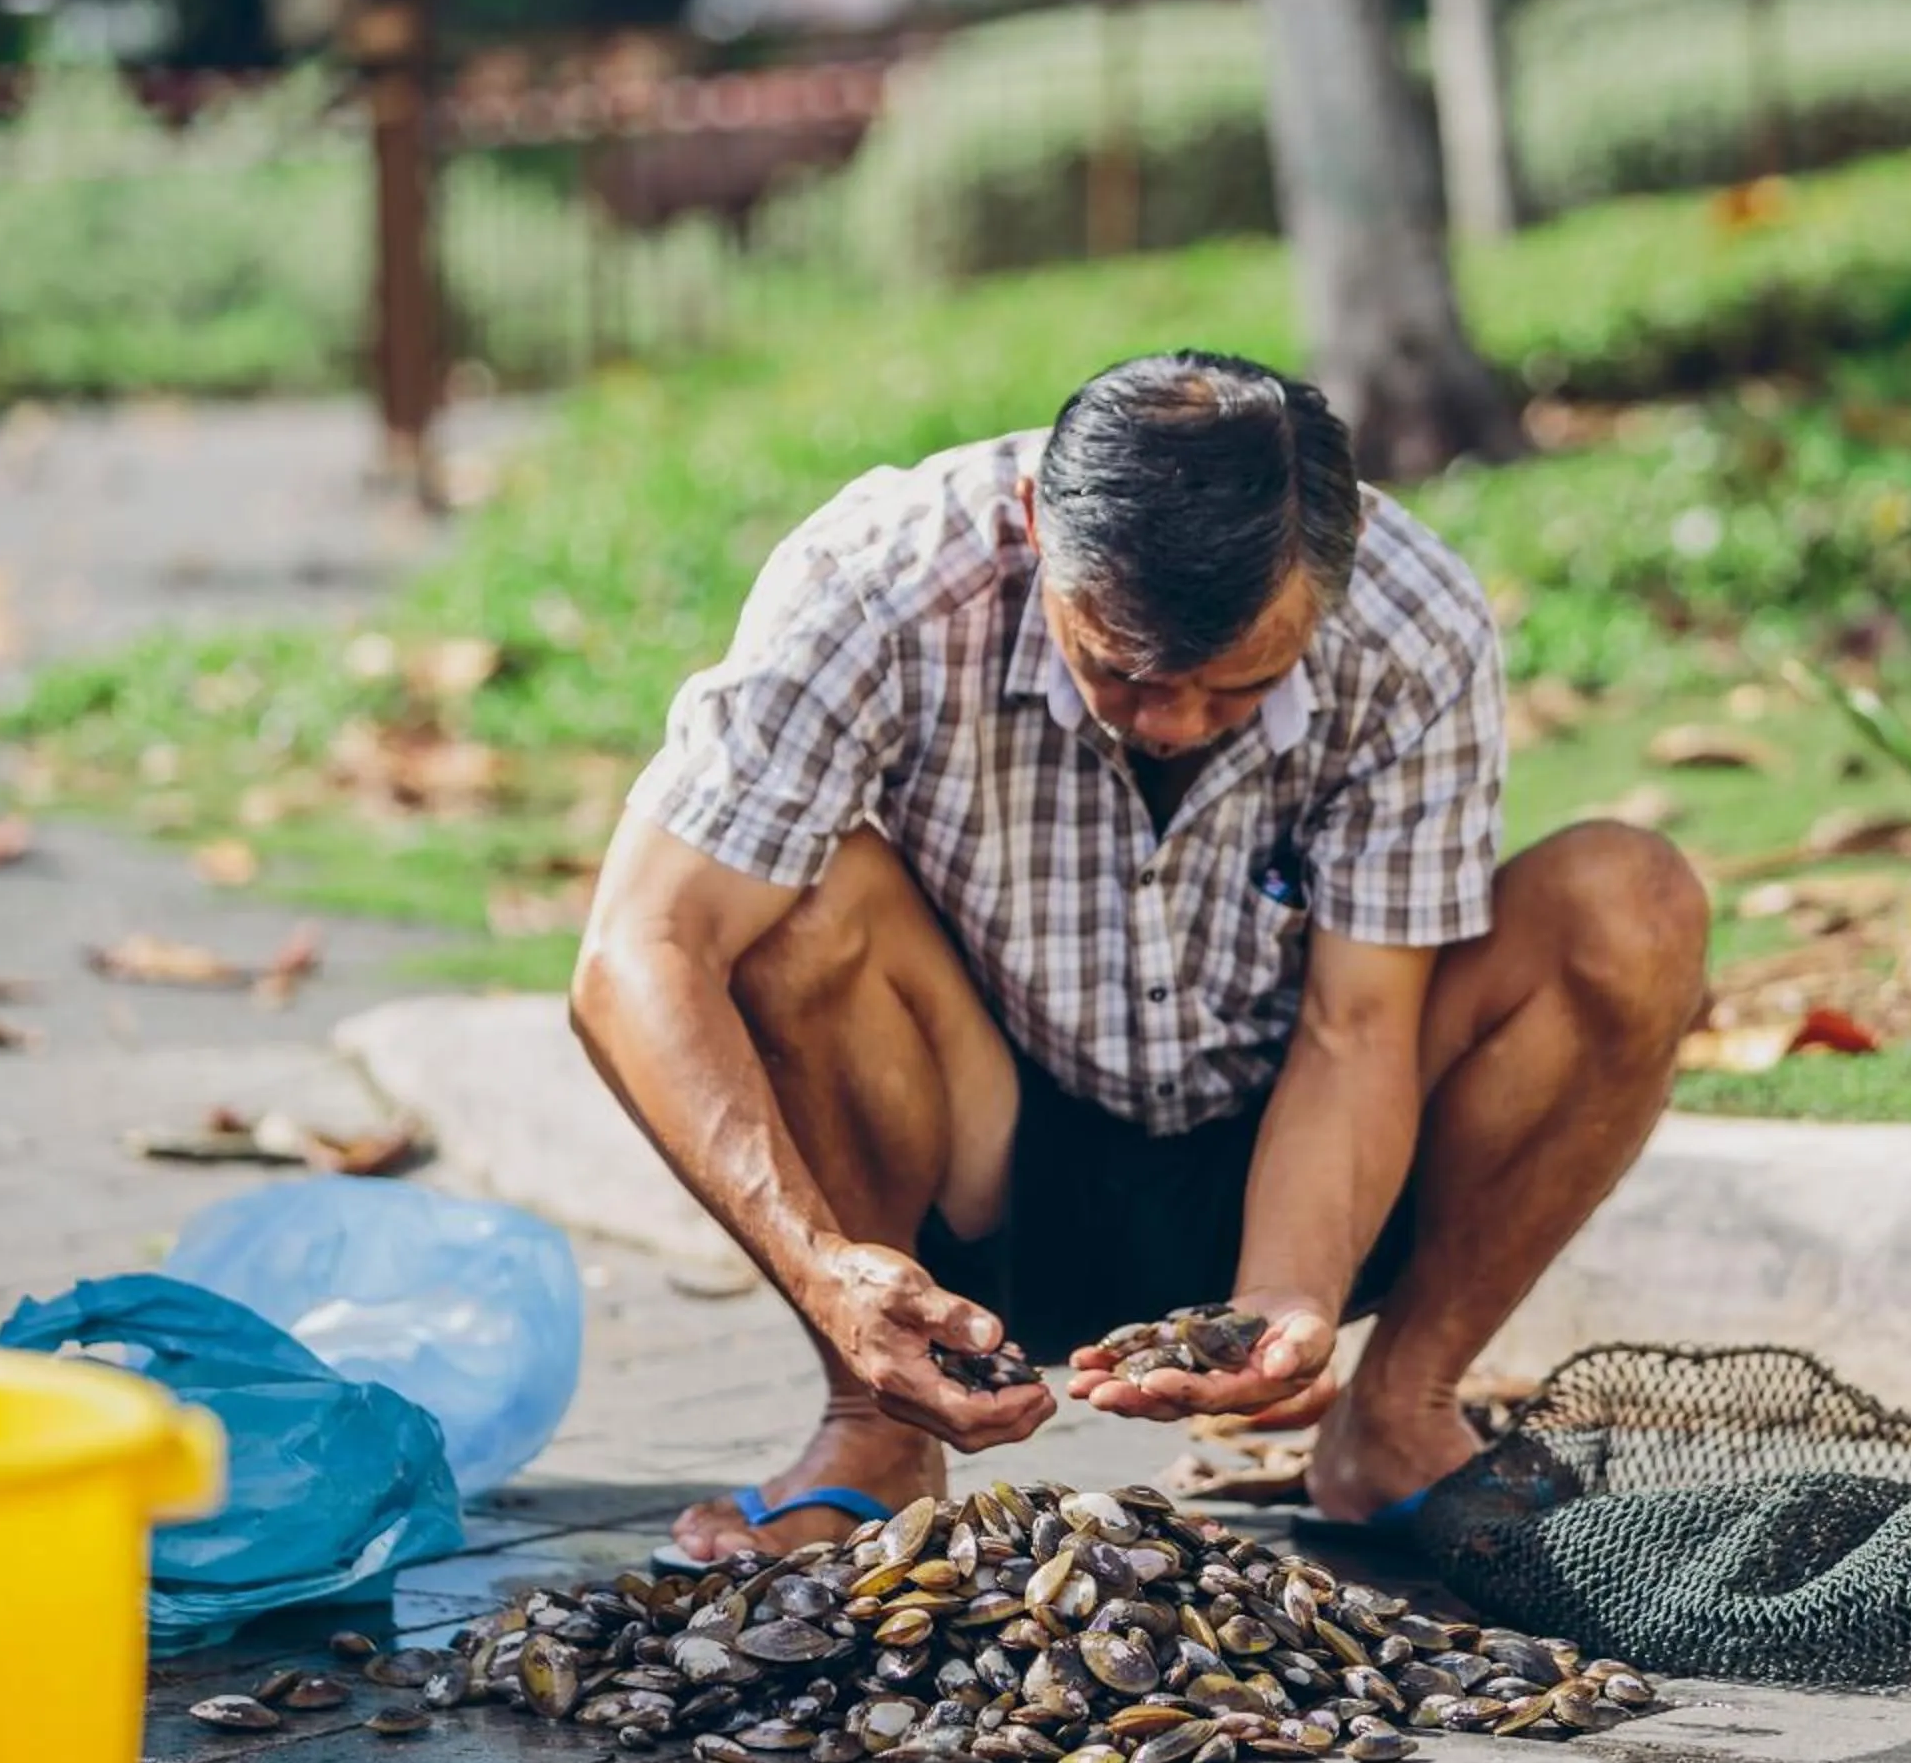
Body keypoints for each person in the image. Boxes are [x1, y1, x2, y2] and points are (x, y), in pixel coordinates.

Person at [572, 351, 1708, 1567]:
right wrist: (826, 1269)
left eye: (1239, 688)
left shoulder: (1409, 616)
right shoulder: (875, 580)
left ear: (1330, 588)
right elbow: (637, 948)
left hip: (1300, 1146)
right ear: (1032, 529)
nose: (1167, 721)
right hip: (971, 1170)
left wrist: (1290, 1290)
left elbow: (1360, 1028)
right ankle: (872, 1430)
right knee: (788, 894)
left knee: (1629, 901)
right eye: (1118, 666)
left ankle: (1397, 1415)